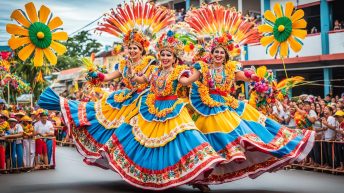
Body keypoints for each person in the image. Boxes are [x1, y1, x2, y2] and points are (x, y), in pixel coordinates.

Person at [185, 3, 314, 189]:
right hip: (205, 108)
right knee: (202, 145)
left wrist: (254, 77)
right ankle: (200, 180)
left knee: (249, 132)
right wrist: (179, 76)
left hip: (227, 106)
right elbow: (189, 81)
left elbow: (244, 76)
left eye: (222, 52)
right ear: (211, 54)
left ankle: (276, 151)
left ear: (226, 56)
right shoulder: (203, 69)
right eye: (216, 52)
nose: (219, 55)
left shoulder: (231, 69)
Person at [38, 1, 175, 167]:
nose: (132, 51)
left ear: (142, 50)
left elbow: (143, 80)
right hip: (127, 98)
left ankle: (145, 162)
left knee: (138, 133)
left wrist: (133, 75)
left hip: (145, 100)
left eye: (136, 48)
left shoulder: (150, 63)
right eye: (130, 47)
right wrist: (96, 74)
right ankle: (61, 103)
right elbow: (109, 77)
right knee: (98, 114)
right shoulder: (123, 64)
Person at [95, 28, 225, 191]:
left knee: (186, 141)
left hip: (174, 110)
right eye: (162, 54)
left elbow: (186, 82)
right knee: (138, 139)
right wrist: (131, 72)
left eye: (168, 55)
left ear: (174, 58)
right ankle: (150, 177)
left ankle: (198, 179)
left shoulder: (179, 71)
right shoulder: (154, 71)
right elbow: (140, 80)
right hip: (152, 109)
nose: (165, 58)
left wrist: (199, 70)